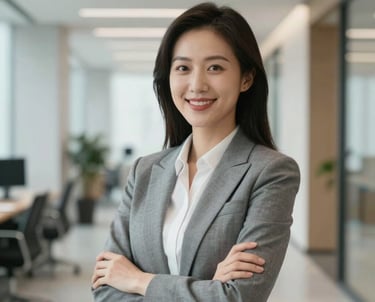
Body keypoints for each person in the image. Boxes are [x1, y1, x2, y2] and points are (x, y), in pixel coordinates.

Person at [91, 2, 300, 301]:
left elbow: (238, 297)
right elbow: (104, 288)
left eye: (215, 67)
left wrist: (139, 281)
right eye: (183, 68)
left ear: (246, 78)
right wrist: (206, 289)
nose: (197, 84)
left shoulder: (271, 172)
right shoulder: (144, 172)